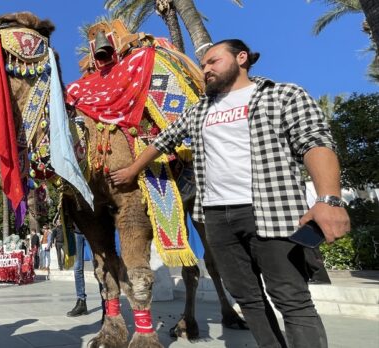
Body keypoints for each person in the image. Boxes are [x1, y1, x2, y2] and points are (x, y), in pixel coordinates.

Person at [109, 39, 350, 348]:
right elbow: (164, 140)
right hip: (217, 217)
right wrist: (131, 170)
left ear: (242, 58)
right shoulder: (199, 110)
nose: (206, 68)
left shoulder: (282, 94)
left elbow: (315, 143)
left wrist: (328, 199)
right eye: (204, 64)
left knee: (292, 300)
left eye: (213, 61)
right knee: (248, 299)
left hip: (271, 211)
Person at [67, 225, 88, 317]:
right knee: (77, 268)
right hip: (76, 230)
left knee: (99, 267)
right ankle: (81, 302)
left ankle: (106, 305)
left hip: (93, 229)